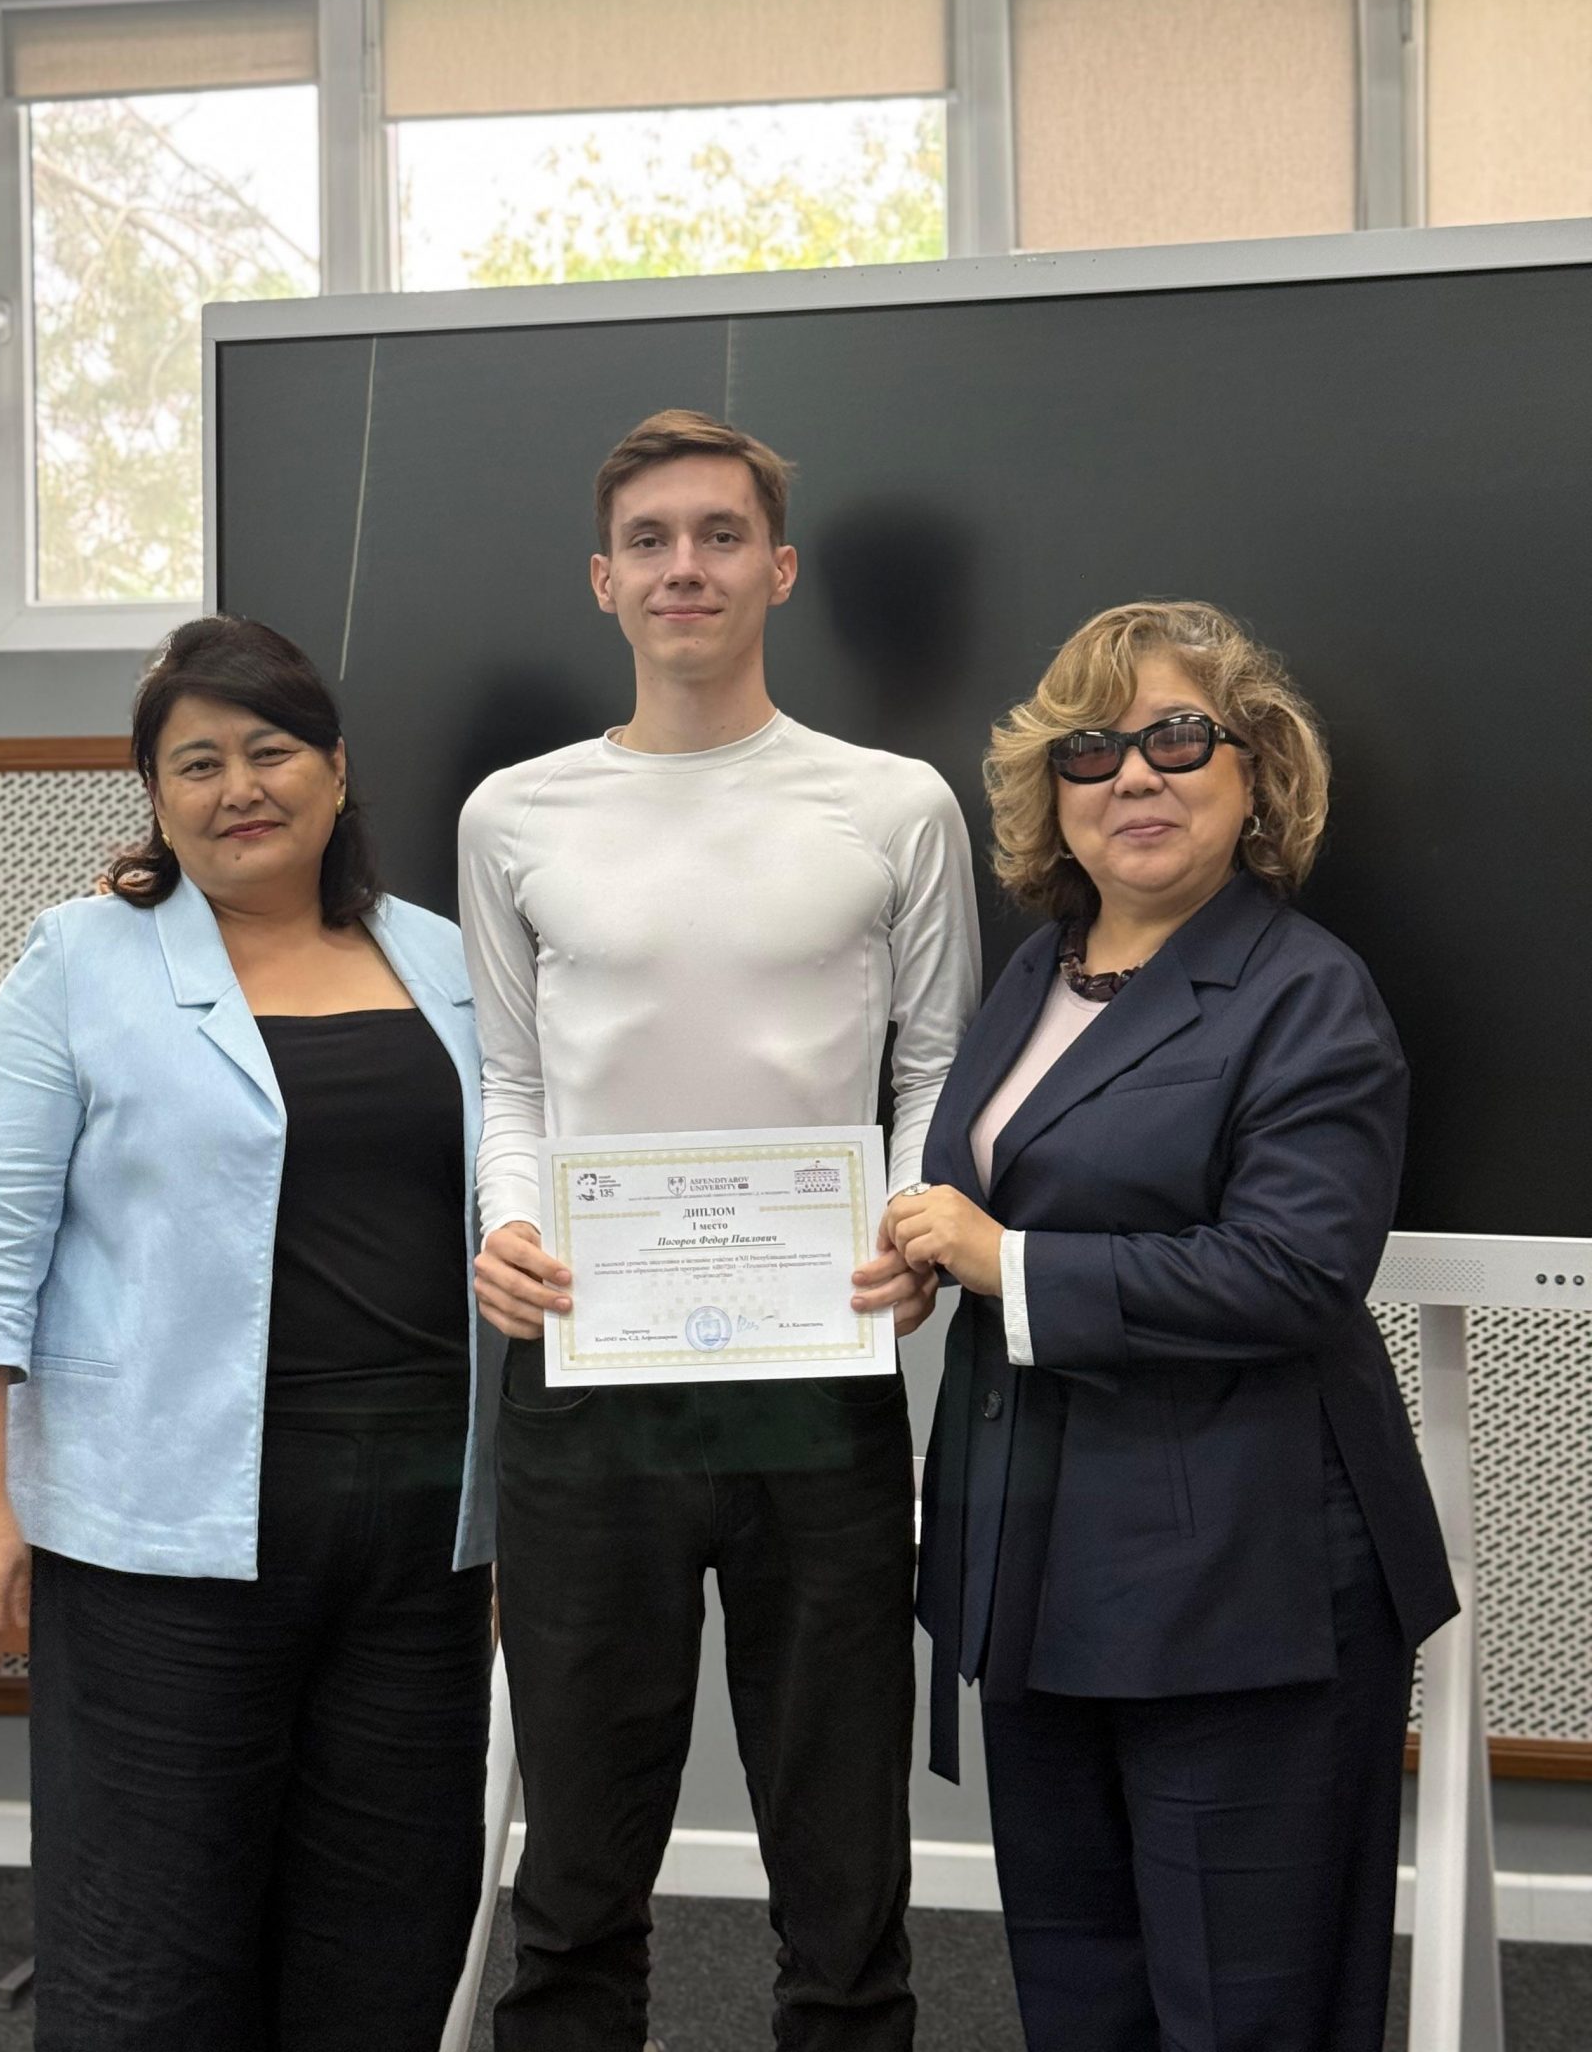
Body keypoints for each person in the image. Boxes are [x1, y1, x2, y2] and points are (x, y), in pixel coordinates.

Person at [459, 408, 981, 2051]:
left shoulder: (894, 805)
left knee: (841, 1848)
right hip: (582, 1373)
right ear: (604, 580)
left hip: (816, 1374)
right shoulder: (513, 815)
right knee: (578, 1852)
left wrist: (912, 1227)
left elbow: (938, 1066)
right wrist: (509, 1223)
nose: (685, 566)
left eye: (720, 535)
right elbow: (511, 1078)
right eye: (652, 541)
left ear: (779, 568)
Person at [0, 615, 500, 2052]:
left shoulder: (447, 960)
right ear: (158, 797)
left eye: (271, 751)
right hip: (162, 1532)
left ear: (337, 771)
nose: (240, 787)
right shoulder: (79, 962)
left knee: (388, 1927)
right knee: (152, 1944)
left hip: (425, 1534)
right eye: (197, 762)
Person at [891, 600, 1457, 2052]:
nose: (1133, 773)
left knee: (1245, 2011)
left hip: (1242, 1589)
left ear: (1255, 771)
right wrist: (926, 1252)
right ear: (1054, 794)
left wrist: (1010, 1264)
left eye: (1178, 738)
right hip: (1036, 1570)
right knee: (1078, 1994)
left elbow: (1294, 1271)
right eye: (1092, 749)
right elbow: (994, 1200)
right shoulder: (1039, 973)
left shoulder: (1307, 993)